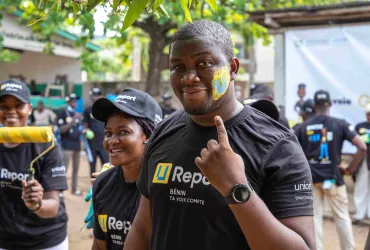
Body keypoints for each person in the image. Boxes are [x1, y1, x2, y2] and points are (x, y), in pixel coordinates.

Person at [124, 20, 315, 250]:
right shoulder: (163, 132)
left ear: (233, 68)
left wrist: (236, 188)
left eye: (204, 63)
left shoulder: (277, 146)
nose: (188, 77)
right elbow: (143, 229)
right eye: (178, 67)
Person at [0, 79, 68, 249]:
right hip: (5, 239)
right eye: (4, 107)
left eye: (18, 105)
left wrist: (36, 204)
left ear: (29, 109)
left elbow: (52, 206)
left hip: (45, 240)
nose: (11, 112)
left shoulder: (46, 144)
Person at [294, 89, 366, 250]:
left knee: (314, 218)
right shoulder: (340, 124)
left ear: (314, 106)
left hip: (310, 179)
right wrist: (349, 169)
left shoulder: (302, 127)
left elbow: (290, 151)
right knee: (342, 217)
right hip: (333, 177)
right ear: (330, 104)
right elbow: (362, 147)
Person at [91, 88, 162, 249]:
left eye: (123, 132)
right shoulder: (103, 183)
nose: (112, 141)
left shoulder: (164, 187)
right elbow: (100, 244)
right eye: (108, 133)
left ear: (148, 136)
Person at [57, 93, 83, 196]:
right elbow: (62, 130)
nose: (75, 103)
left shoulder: (78, 114)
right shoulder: (63, 113)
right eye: (73, 101)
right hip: (67, 146)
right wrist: (72, 120)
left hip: (77, 145)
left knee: (76, 169)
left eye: (76, 101)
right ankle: (61, 191)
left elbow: (79, 128)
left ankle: (74, 188)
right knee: (64, 168)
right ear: (68, 102)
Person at [83, 88, 109, 176]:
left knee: (106, 165)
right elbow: (85, 125)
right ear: (91, 97)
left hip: (103, 142)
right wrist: (85, 130)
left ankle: (105, 185)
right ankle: (93, 187)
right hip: (92, 144)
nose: (96, 97)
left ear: (101, 96)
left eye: (98, 95)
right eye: (94, 95)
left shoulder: (106, 110)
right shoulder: (87, 110)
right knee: (92, 165)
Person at [352, 103, 370, 222]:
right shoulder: (360, 126)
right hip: (363, 160)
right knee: (361, 185)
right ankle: (359, 213)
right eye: (368, 114)